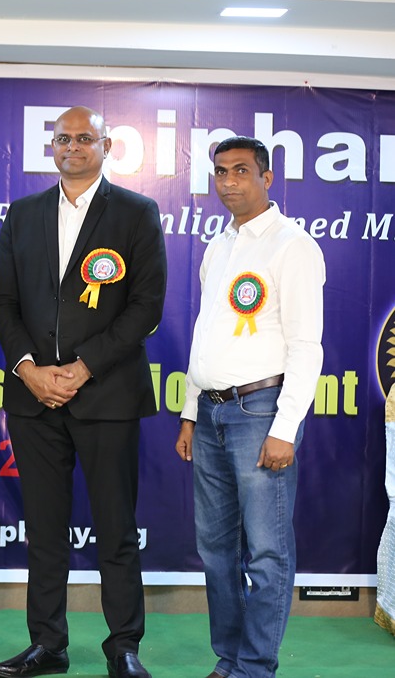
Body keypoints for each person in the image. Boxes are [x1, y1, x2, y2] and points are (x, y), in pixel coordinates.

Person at [0, 106, 167, 678]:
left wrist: (84, 367)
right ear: (52, 147)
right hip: (33, 399)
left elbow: (146, 306)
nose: (72, 147)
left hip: (108, 396)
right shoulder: (23, 214)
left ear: (106, 146)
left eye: (84, 138)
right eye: (63, 139)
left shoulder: (136, 212)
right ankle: (48, 644)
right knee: (44, 531)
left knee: (116, 530)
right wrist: (28, 369)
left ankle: (124, 647)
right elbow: (4, 303)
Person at [175, 137, 325, 678]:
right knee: (216, 551)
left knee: (266, 552)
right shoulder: (219, 246)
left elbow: (306, 347)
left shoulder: (293, 245)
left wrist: (285, 427)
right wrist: (191, 411)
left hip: (262, 412)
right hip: (211, 413)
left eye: (241, 170)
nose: (229, 181)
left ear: (266, 177)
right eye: (220, 172)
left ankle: (255, 667)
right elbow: (205, 333)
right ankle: (229, 660)